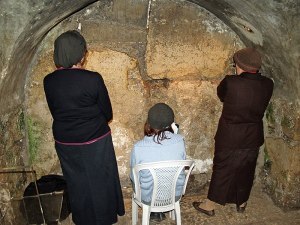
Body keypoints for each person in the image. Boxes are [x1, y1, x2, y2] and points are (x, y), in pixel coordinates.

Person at [43, 30, 125, 225]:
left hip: (65, 140)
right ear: (80, 53)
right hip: (94, 139)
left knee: (76, 180)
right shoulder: (92, 79)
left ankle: (83, 218)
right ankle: (104, 217)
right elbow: (108, 113)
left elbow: (55, 111)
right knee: (100, 178)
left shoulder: (49, 81)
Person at [193, 47, 274, 216]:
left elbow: (222, 95)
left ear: (239, 65)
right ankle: (241, 202)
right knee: (247, 169)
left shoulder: (231, 82)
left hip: (229, 135)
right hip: (253, 136)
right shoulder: (268, 84)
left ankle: (209, 205)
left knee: (222, 168)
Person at [130, 103, 186, 222]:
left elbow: (134, 177)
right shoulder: (180, 141)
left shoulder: (138, 147)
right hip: (174, 195)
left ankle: (154, 212)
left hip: (148, 198)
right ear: (172, 123)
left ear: (148, 123)